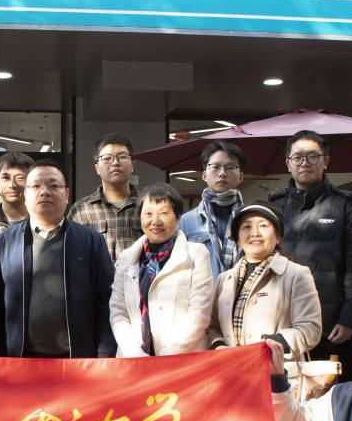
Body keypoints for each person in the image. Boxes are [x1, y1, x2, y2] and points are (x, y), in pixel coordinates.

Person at [267, 129, 352, 421]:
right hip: (283, 326)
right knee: (284, 398)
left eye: (312, 156)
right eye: (298, 157)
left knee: (330, 396)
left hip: (331, 323)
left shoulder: (346, 206)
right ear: (288, 164)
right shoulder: (275, 205)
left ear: (326, 161)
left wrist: (349, 314)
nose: (305, 163)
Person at [206, 202, 321, 421]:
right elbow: (212, 326)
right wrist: (218, 347)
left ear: (278, 235)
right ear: (236, 238)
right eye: (246, 227)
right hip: (234, 386)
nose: (254, 233)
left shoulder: (296, 274)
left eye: (263, 226)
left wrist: (269, 348)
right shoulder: (225, 280)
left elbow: (311, 329)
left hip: (277, 383)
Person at [0, 160, 116, 358]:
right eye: (36, 186)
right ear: (26, 194)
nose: (45, 192)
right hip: (20, 360)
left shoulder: (91, 241)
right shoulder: (3, 243)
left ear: (67, 194)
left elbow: (106, 300)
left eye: (54, 186)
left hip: (78, 359)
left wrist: (105, 353)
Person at [110, 183, 213, 357]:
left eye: (164, 213)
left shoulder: (197, 254)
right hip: (134, 359)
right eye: (148, 214)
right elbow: (118, 312)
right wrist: (136, 354)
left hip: (183, 358)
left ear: (178, 218)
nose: (155, 221)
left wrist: (167, 356)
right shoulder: (126, 258)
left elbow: (200, 311)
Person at [69, 133, 141, 263]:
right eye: (107, 158)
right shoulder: (81, 210)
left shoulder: (147, 205)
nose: (115, 163)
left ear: (132, 165)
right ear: (97, 168)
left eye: (122, 157)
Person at [179, 141, 246, 277]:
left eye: (230, 167)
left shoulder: (252, 218)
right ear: (204, 175)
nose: (222, 173)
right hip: (203, 290)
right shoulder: (187, 221)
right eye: (215, 167)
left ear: (241, 176)